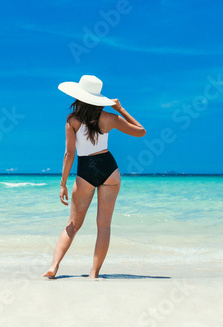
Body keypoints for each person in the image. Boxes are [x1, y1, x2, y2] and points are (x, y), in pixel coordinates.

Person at [42, 75, 146, 279]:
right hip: (109, 169)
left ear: (79, 97)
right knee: (104, 225)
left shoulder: (72, 120)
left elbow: (69, 154)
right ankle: (94, 273)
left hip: (86, 171)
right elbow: (141, 132)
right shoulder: (111, 118)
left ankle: (53, 267)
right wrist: (121, 109)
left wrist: (63, 183)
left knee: (73, 225)